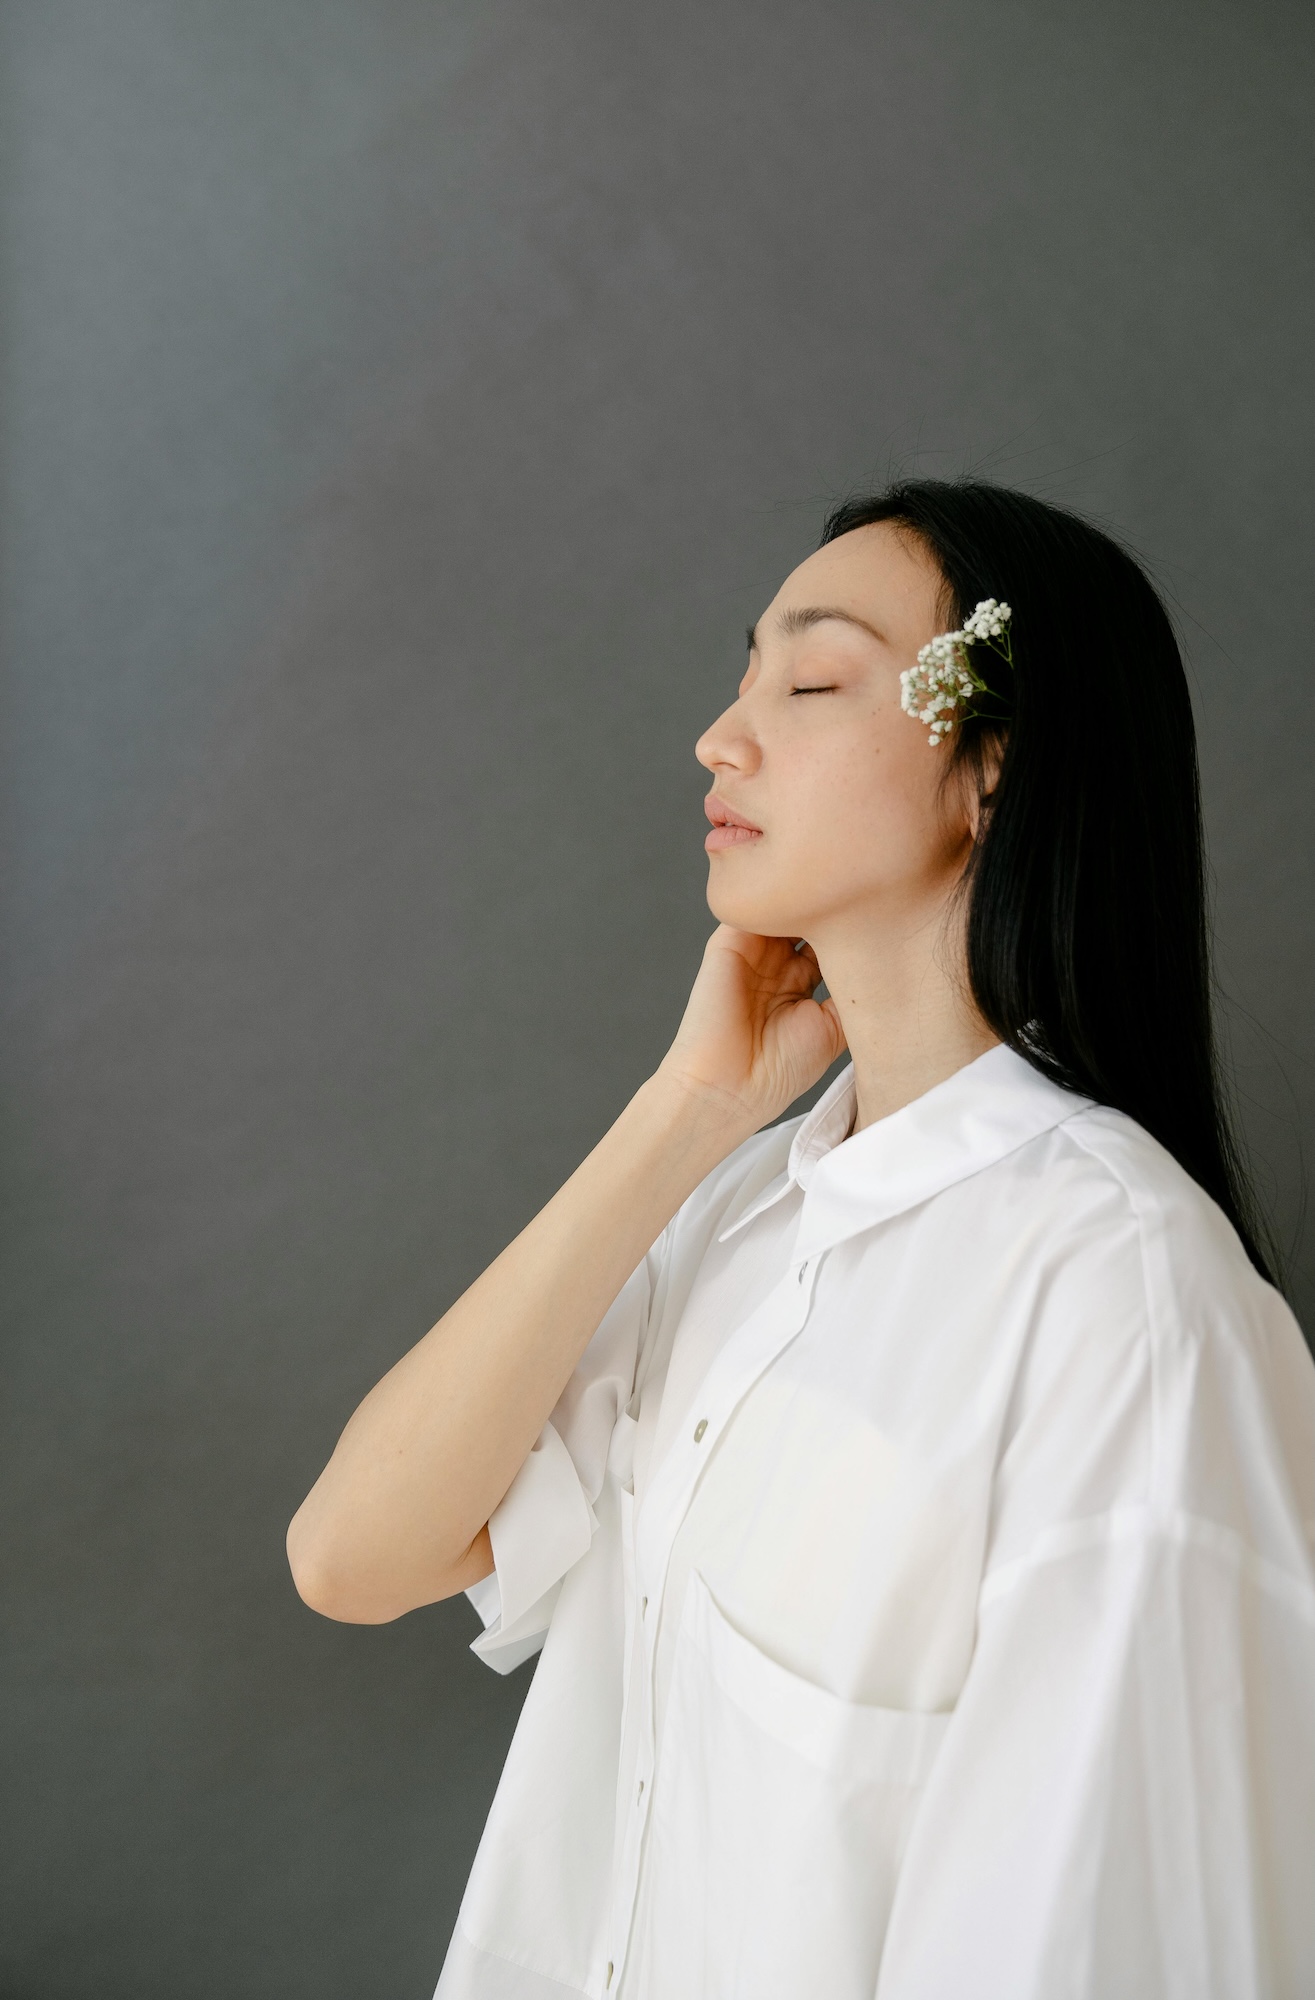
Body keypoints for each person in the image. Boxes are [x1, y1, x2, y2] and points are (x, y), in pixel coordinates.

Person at [286, 479, 1315, 2000]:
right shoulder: (747, 1209)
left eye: (813, 683)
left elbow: (1096, 1936)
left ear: (992, 769)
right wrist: (684, 1113)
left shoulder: (1123, 1303)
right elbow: (351, 1556)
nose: (721, 736)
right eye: (744, 674)